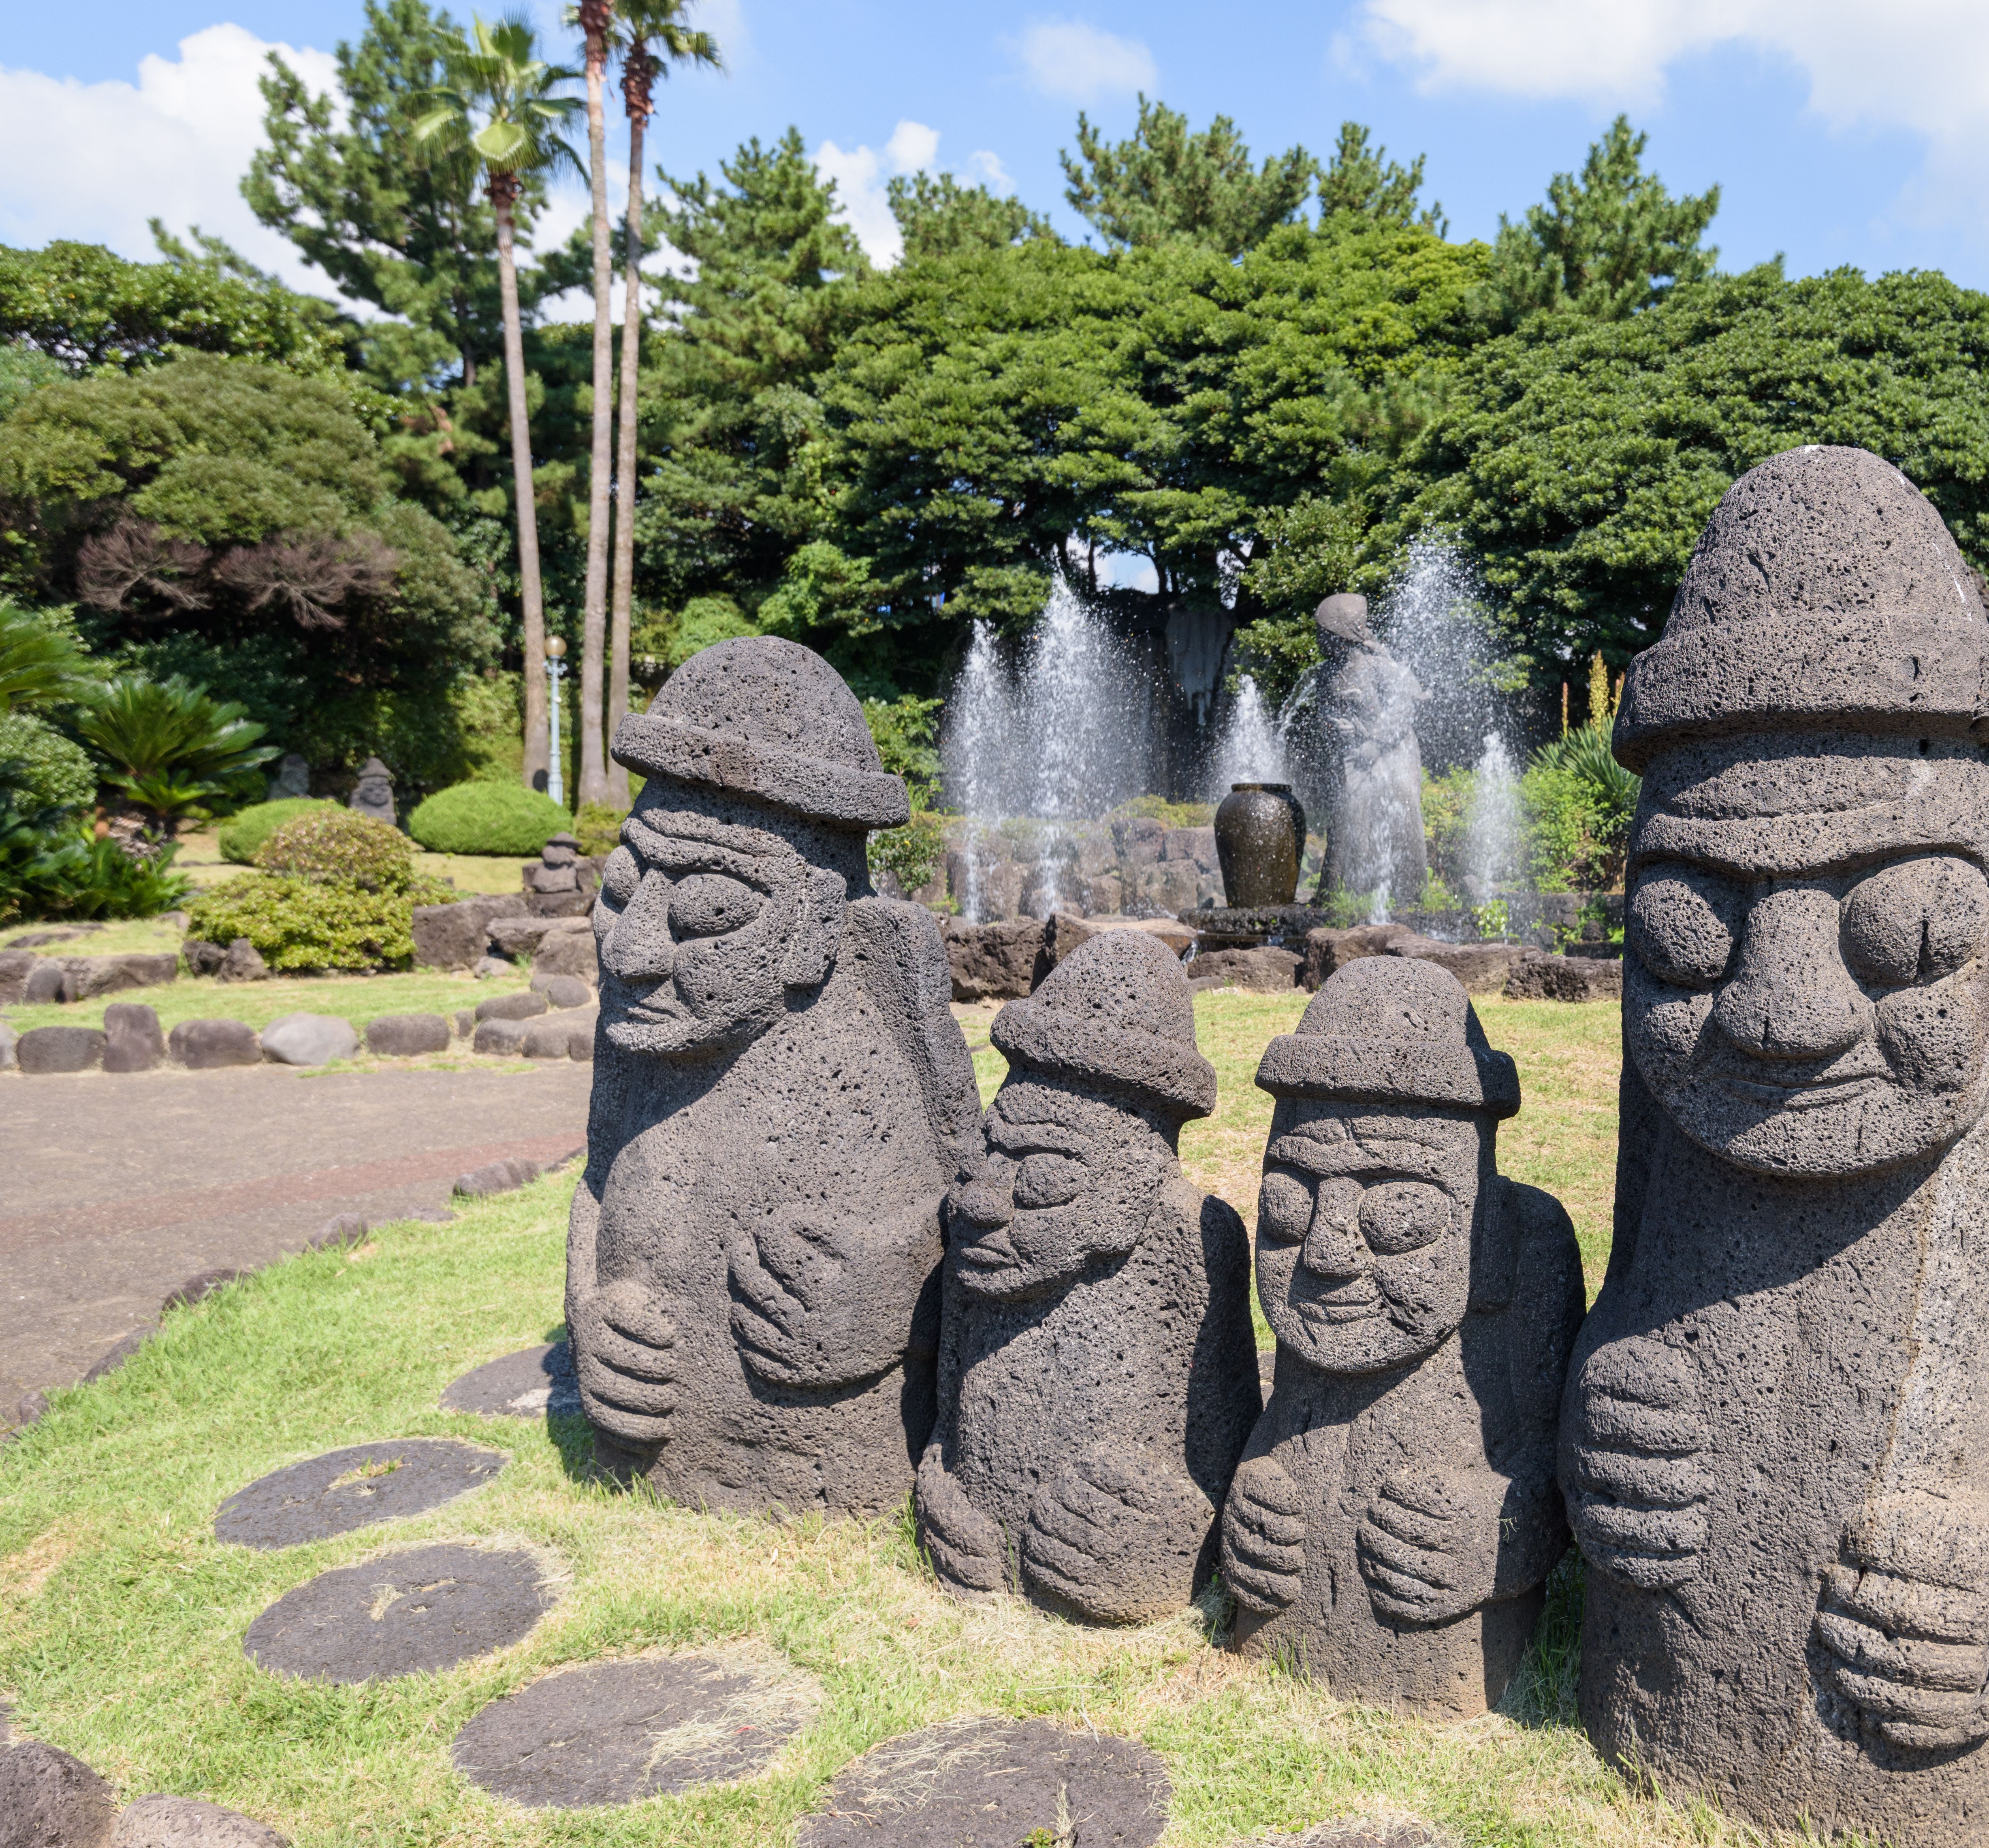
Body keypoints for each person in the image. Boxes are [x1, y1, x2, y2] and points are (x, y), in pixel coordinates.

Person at [1560, 446, 1989, 1845]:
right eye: (1690, 930)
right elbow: (1627, 1291)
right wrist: (1606, 1424)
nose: (1780, 1015)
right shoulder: (1678, 1089)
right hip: (1677, 1649)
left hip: (1933, 1683)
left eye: (1905, 928)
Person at [567, 636, 980, 1517]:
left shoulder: (881, 1019)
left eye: (710, 909)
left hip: (821, 1472)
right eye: (621, 888)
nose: (633, 949)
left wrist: (893, 1296)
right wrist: (589, 1313)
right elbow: (599, 1180)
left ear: (816, 925)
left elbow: (968, 1210)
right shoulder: (643, 1032)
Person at [1221, 955, 1584, 1717]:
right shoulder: (1314, 1296)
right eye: (1290, 1200)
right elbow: (1282, 1410)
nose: (1324, 1252)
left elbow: (1562, 1466)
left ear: (1483, 1213)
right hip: (1289, 1602)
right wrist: (1253, 1489)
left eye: (1398, 1213)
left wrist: (1496, 1534)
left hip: (1439, 1637)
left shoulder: (1528, 1243)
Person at [914, 929, 1259, 1623]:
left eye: (1042, 1176)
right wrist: (939, 1495)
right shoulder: (979, 1243)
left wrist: (1167, 1539)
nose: (982, 1200)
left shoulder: (1188, 1240)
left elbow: (1218, 1454)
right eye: (988, 1153)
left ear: (1134, 1186)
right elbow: (944, 1417)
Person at [1311, 593, 1428, 912]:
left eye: (1324, 633)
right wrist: (1337, 727)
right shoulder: (1325, 674)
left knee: (1402, 797)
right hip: (1356, 753)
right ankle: (1347, 891)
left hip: (1395, 747)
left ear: (1342, 636)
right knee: (1351, 809)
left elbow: (1405, 705)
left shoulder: (1378, 666)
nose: (1319, 639)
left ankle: (1411, 894)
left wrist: (1376, 743)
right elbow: (1325, 712)